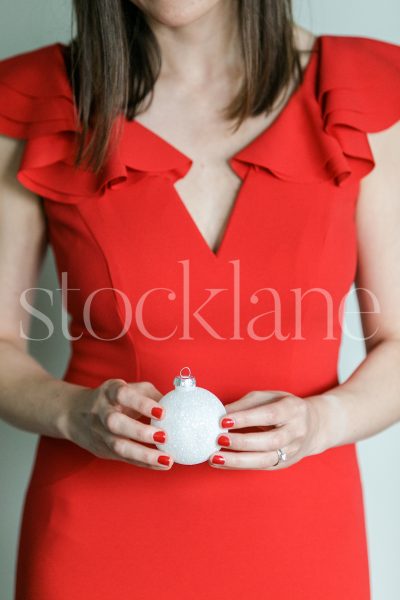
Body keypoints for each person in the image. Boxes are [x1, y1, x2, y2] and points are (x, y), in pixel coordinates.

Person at [0, 1, 399, 598]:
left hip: (300, 539)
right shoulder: (31, 96)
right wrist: (73, 413)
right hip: (93, 543)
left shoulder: (360, 89)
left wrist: (322, 422)